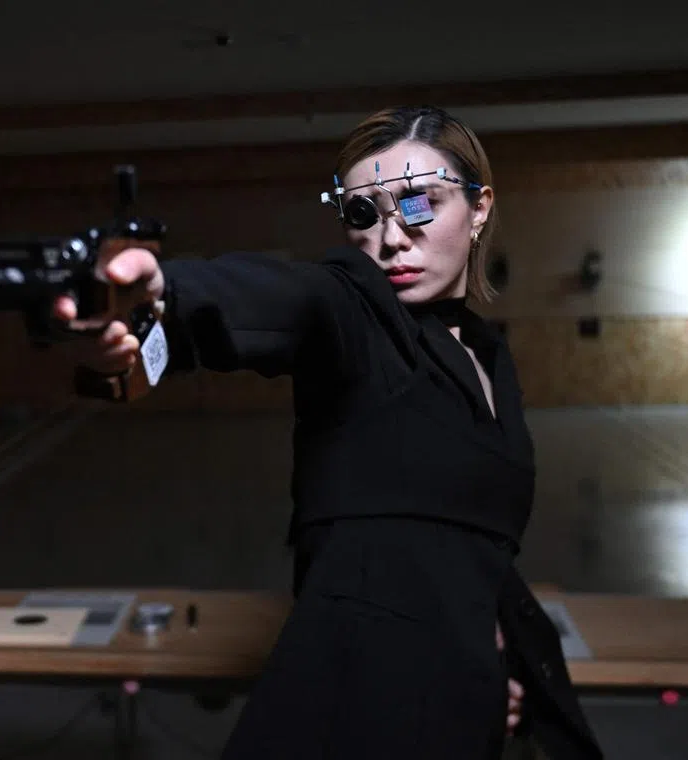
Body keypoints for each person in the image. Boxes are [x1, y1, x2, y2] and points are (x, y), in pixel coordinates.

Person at [53, 105, 604, 759]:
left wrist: (492, 659)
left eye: (420, 203)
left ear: (480, 207)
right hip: (362, 713)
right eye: (364, 215)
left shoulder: (489, 357)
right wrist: (166, 291)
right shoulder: (357, 313)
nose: (393, 237)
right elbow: (296, 298)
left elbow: (473, 547)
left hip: (464, 707)